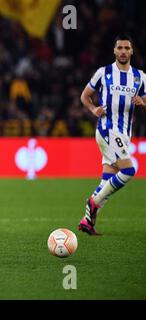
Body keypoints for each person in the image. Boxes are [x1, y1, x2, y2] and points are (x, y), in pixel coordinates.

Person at [78, 34, 146, 235]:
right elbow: (85, 96)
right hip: (107, 129)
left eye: (127, 48)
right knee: (128, 171)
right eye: (120, 48)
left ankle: (87, 221)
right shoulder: (104, 72)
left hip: (124, 133)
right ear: (114, 51)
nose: (123, 51)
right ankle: (94, 202)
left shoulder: (140, 77)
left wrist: (143, 103)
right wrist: (93, 110)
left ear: (132, 51)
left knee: (107, 178)